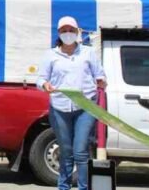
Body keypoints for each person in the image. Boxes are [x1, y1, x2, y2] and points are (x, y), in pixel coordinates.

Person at [36, 16, 106, 190]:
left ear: (77, 32)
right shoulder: (50, 55)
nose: (68, 34)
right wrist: (45, 85)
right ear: (59, 34)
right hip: (60, 107)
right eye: (64, 31)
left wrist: (101, 81)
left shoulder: (88, 53)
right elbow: (40, 79)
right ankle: (64, 186)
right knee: (66, 152)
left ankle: (83, 187)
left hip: (85, 106)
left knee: (80, 151)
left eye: (71, 30)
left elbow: (100, 75)